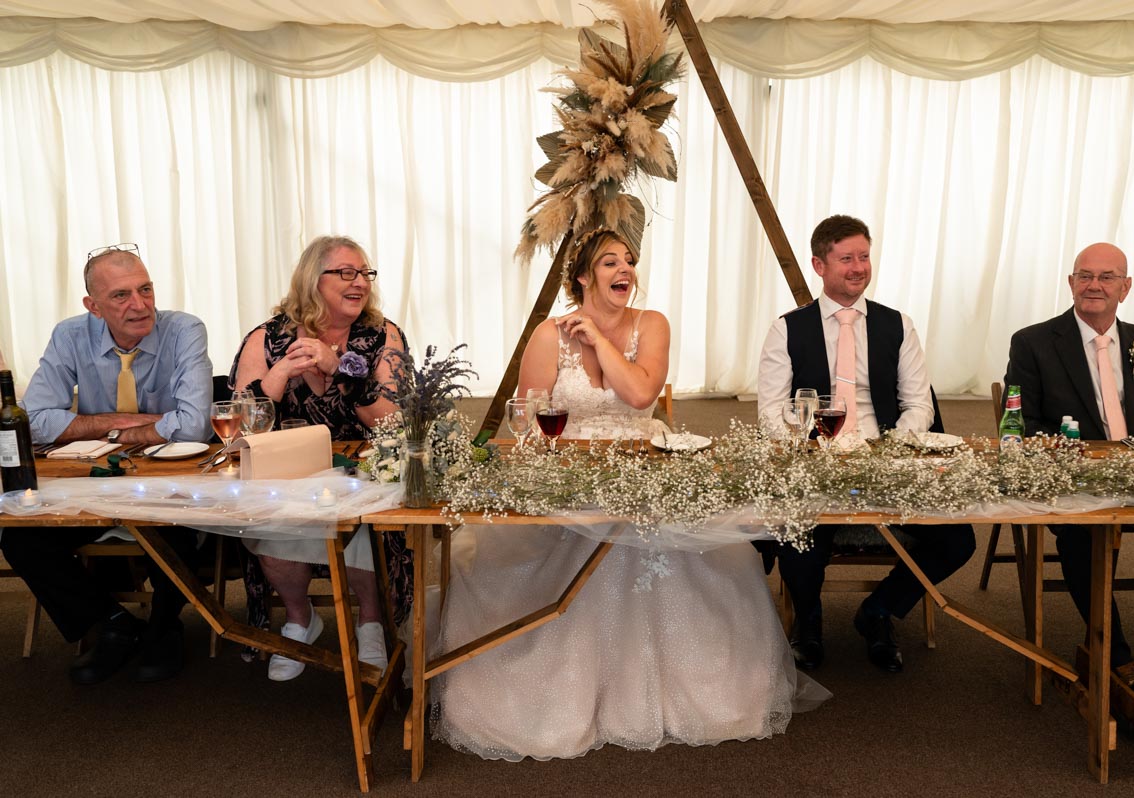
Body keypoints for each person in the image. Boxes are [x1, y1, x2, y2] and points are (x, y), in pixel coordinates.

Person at [432, 229, 828, 761]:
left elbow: (642, 393)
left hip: (644, 474)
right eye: (609, 262)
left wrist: (597, 338)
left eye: (629, 261)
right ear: (582, 276)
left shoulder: (653, 324)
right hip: (569, 478)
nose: (625, 270)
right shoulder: (549, 336)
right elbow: (526, 424)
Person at [756, 214, 976, 673]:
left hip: (888, 460)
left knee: (957, 541)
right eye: (846, 259)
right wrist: (810, 452)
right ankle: (808, 623)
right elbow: (771, 413)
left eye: (864, 256)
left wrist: (887, 452)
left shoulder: (899, 326)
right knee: (798, 537)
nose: (858, 267)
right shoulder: (786, 330)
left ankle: (879, 610)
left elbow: (919, 406)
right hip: (816, 460)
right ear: (819, 265)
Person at [1, 243, 213, 684]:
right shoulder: (69, 335)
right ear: (92, 307)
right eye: (121, 296)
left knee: (178, 525)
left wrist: (90, 426)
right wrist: (122, 423)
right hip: (96, 479)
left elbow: (193, 427)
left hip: (173, 477)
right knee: (20, 536)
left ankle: (164, 625)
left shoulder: (184, 330)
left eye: (146, 289)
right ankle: (112, 622)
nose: (140, 305)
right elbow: (35, 420)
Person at [1005, 242, 1134, 720]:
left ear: (1125, 288)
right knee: (1080, 540)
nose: (1095, 285)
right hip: (1078, 482)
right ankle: (1116, 659)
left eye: (1107, 277)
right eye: (1085, 276)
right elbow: (1021, 424)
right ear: (1070, 284)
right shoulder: (1032, 342)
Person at [229, 235, 410, 681]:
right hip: (288, 474)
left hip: (365, 469)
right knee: (269, 510)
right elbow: (237, 428)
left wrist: (340, 367)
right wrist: (279, 374)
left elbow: (392, 420)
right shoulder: (266, 337)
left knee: (364, 509)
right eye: (346, 273)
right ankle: (300, 617)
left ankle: (370, 621)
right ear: (313, 280)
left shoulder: (380, 334)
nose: (360, 282)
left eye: (365, 273)